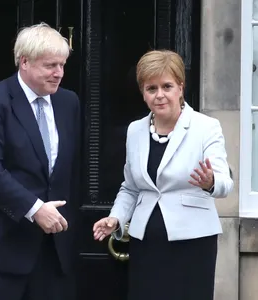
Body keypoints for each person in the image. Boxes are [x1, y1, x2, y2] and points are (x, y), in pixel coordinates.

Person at [92, 50, 233, 300]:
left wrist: (210, 182)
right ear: (143, 93)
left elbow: (225, 183)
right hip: (147, 242)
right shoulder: (135, 130)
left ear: (180, 87)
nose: (160, 95)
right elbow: (130, 187)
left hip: (192, 242)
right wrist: (115, 218)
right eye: (151, 88)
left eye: (167, 86)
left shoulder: (205, 127)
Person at [0, 22, 80, 300]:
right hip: (0, 254)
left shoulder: (68, 102)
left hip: (54, 257)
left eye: (62, 65)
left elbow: (72, 171)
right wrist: (35, 208)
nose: (59, 73)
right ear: (24, 62)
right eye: (51, 65)